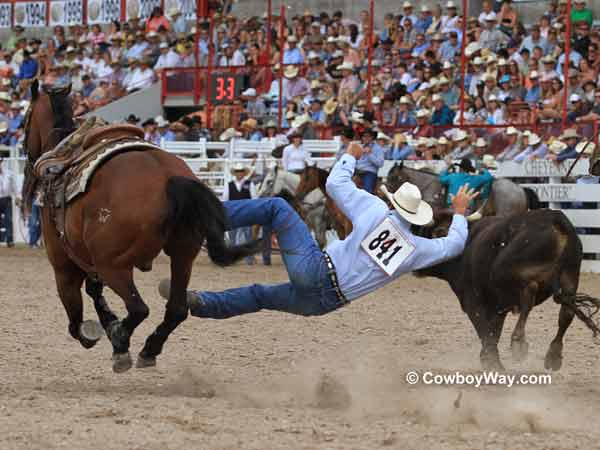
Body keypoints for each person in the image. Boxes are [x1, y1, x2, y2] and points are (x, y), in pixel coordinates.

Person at [158, 143, 478, 318]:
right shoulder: (414, 249)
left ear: (395, 202)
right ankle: (200, 304)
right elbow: (454, 245)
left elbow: (337, 184)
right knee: (259, 296)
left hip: (316, 271)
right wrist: (460, 213)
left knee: (278, 207)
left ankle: (203, 217)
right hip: (326, 303)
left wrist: (350, 157)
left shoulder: (375, 210)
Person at [223, 163, 257, 265]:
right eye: (237, 171)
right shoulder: (229, 185)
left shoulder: (249, 184)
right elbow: (225, 200)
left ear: (243, 173)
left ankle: (249, 259)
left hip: (246, 214)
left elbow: (254, 199)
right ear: (235, 173)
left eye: (241, 171)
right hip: (233, 215)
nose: (239, 173)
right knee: (233, 238)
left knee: (248, 237)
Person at [0, 158, 16, 247]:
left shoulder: (9, 173)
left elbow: (14, 186)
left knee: (8, 220)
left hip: (7, 199)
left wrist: (17, 196)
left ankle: (10, 240)